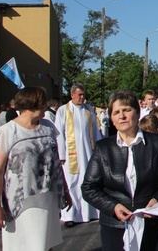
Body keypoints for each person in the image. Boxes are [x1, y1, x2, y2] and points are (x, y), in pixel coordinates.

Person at [81, 90, 158, 251]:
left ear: (137, 113)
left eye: (126, 110)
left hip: (151, 223)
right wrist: (113, 207)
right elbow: (88, 187)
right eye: (116, 112)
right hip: (115, 225)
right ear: (112, 119)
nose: (121, 116)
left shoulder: (157, 144)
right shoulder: (103, 149)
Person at [0, 87, 71, 251]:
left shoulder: (48, 127)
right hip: (21, 200)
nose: (46, 107)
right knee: (24, 244)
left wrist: (66, 190)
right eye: (43, 103)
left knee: (46, 242)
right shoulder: (8, 131)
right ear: (33, 104)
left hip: (47, 197)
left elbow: (55, 162)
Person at [55, 84, 102, 226]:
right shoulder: (63, 110)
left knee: (89, 181)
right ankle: (71, 215)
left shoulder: (89, 110)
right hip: (71, 156)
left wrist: (99, 151)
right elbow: (59, 133)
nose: (82, 97)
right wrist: (61, 154)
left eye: (83, 94)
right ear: (72, 95)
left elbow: (95, 131)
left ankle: (91, 212)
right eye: (80, 94)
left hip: (88, 152)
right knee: (72, 183)